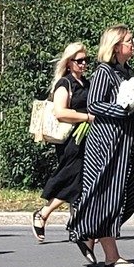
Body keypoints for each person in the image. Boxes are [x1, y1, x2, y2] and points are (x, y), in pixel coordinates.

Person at [70, 26, 134, 267]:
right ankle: (111, 254)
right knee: (108, 195)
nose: (133, 44)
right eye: (129, 41)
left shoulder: (128, 72)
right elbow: (94, 105)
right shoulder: (104, 72)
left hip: (127, 141)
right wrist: (123, 110)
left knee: (133, 193)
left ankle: (88, 231)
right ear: (116, 46)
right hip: (107, 142)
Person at [32, 43, 92, 243]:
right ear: (69, 62)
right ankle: (43, 213)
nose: (83, 64)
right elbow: (60, 112)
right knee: (73, 179)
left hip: (85, 137)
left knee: (82, 182)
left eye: (86, 60)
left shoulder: (86, 83)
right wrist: (87, 117)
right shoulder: (64, 84)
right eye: (79, 61)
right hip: (69, 140)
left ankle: (76, 224)